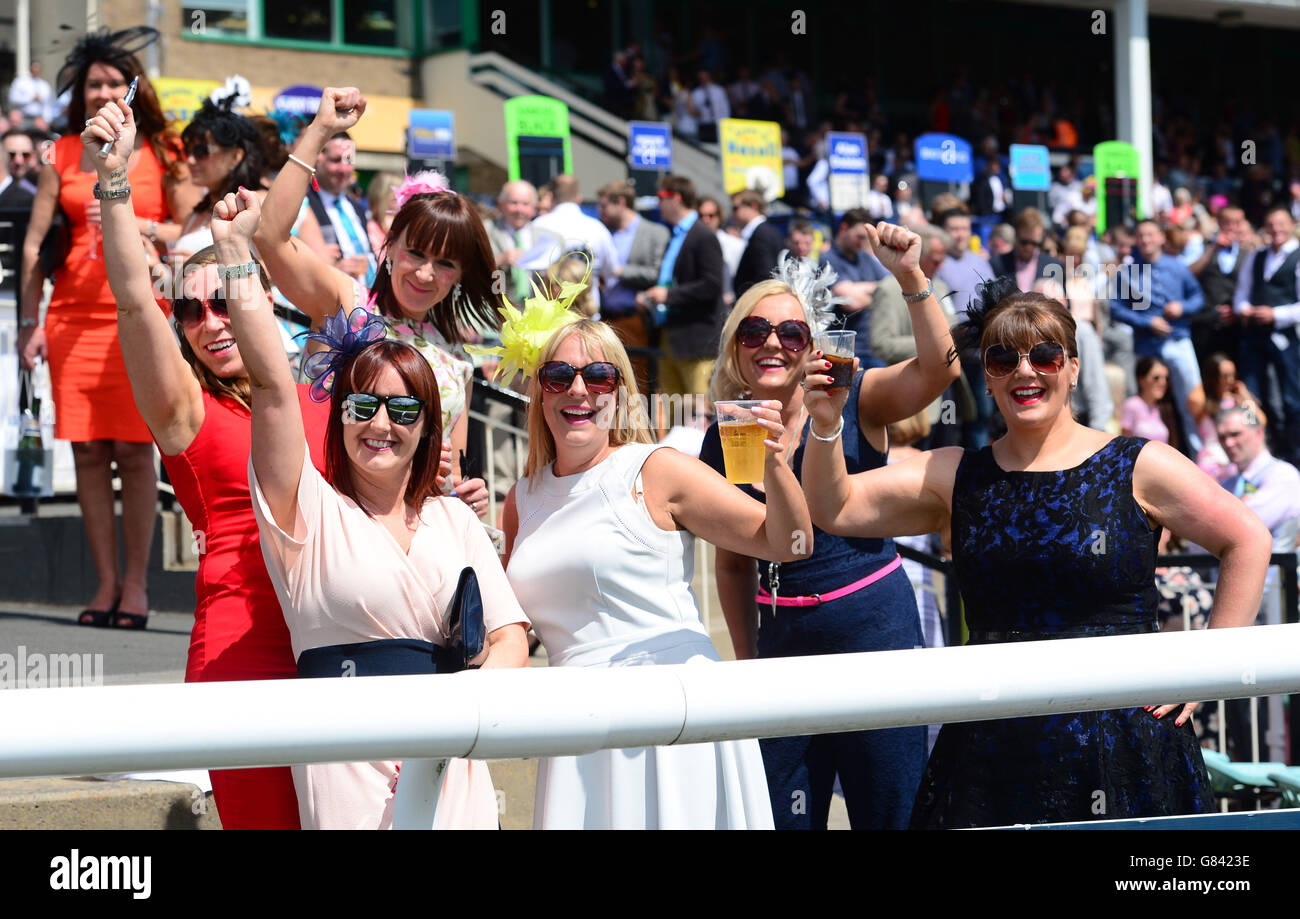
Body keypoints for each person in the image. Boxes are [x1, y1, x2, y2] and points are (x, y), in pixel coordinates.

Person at [800, 278, 1271, 828]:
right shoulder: (954, 473)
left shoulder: (1141, 463)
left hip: (1124, 744)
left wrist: (1207, 671)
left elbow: (1249, 540)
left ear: (1072, 368)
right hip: (996, 742)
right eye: (1003, 358)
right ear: (989, 377)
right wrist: (828, 425)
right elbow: (834, 509)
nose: (1025, 371)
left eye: (1045, 356)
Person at [221, 186, 529, 830]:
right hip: (346, 742)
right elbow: (275, 386)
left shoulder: (453, 517)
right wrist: (233, 251)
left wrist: (459, 711)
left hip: (451, 753)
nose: (383, 423)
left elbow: (509, 642)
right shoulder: (312, 516)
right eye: (363, 406)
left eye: (406, 409)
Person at [84, 98, 327, 827]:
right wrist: (116, 180)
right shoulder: (186, 408)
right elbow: (133, 300)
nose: (210, 320)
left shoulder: (313, 381)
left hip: (341, 633)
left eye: (222, 298)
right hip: (244, 644)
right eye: (190, 312)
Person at [703, 225, 961, 830]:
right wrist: (748, 662)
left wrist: (910, 279)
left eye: (791, 332)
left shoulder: (856, 396)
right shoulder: (727, 432)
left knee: (890, 814)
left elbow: (939, 371)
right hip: (781, 642)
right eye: (755, 331)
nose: (773, 344)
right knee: (782, 817)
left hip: (873, 629)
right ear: (735, 347)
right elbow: (732, 559)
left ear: (812, 345)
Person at [501, 314, 802, 829]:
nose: (579, 391)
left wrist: (775, 464)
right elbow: (507, 628)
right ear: (540, 391)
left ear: (618, 391)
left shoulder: (654, 468)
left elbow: (787, 542)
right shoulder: (520, 499)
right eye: (559, 376)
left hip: (671, 708)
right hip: (573, 723)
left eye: (598, 376)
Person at [18, 28, 202, 629]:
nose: (103, 91)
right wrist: (29, 323)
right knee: (90, 452)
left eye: (114, 82)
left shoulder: (162, 149)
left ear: (131, 89)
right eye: (94, 83)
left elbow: (190, 228)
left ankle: (136, 588)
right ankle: (103, 587)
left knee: (134, 450)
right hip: (71, 317)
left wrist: (143, 224)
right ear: (81, 91)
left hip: (137, 315)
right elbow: (34, 244)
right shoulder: (62, 152)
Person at [254, 87, 493, 519]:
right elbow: (268, 235)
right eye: (416, 254)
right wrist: (321, 130)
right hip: (337, 515)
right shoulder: (348, 302)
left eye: (444, 264)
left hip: (417, 532)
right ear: (390, 245)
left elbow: (451, 475)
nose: (425, 274)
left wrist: (465, 497)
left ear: (459, 275)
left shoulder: (458, 360)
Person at [1111, 219, 1206, 453]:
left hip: (1178, 341)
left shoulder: (1178, 267)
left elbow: (1198, 297)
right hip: (1147, 345)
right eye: (1141, 235)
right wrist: (1147, 321)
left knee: (1192, 403)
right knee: (1146, 405)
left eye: (1150, 235)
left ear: (1161, 237)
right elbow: (1115, 307)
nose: (1145, 240)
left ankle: (1202, 460)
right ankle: (1143, 460)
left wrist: (1182, 308)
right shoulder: (1128, 273)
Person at [639, 175, 725, 399]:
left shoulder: (703, 235)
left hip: (697, 343)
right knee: (674, 415)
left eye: (660, 197)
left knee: (699, 417)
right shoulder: (676, 234)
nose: (658, 204)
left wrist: (668, 295)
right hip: (672, 336)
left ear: (676, 198)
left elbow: (712, 284)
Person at [1232, 207, 1300, 467]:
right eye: (1271, 224)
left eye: (1281, 224)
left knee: (1291, 399)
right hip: (1254, 335)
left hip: (1284, 335)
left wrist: (1276, 314)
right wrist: (1244, 308)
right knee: (1250, 396)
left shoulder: (1296, 256)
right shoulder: (1257, 256)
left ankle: (1293, 455)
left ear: (1291, 224)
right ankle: (1258, 452)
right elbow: (1242, 292)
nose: (1276, 230)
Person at [597, 180, 667, 395]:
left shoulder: (655, 232)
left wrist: (618, 271)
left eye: (604, 205)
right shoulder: (606, 232)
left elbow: (655, 273)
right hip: (606, 319)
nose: (601, 211)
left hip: (635, 318)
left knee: (638, 385)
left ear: (621, 202)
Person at [305, 128, 377, 287]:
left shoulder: (357, 207)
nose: (343, 169)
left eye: (349, 160)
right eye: (336, 160)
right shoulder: (304, 205)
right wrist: (332, 270)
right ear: (319, 158)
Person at [820, 208, 889, 367]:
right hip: (843, 350)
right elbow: (849, 301)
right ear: (844, 228)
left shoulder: (865, 258)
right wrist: (877, 291)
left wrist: (861, 290)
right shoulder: (828, 259)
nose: (862, 242)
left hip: (873, 347)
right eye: (859, 237)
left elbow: (890, 288)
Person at [731, 188, 785, 298]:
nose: (732, 213)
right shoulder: (766, 231)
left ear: (753, 206)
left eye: (736, 208)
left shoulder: (761, 234)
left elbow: (765, 277)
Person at [1120, 356, 1172, 444]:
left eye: (1166, 378)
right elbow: (1123, 443)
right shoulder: (1132, 405)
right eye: (1156, 377)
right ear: (1141, 379)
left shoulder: (1163, 408)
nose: (1163, 382)